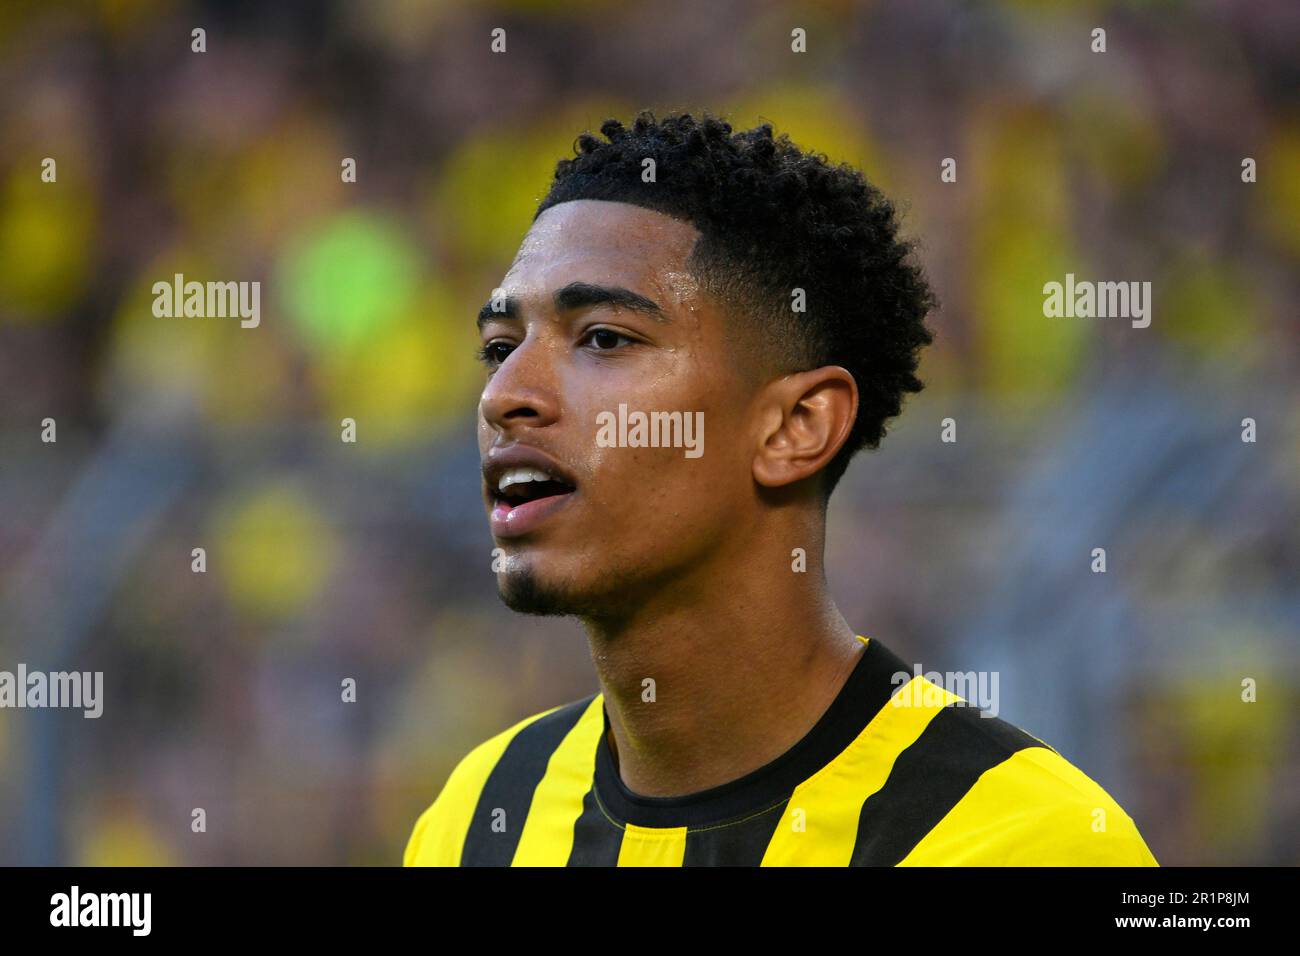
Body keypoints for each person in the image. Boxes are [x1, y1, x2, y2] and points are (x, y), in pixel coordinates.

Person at [405, 111, 1157, 866]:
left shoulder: (1019, 841)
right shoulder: (477, 817)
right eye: (500, 347)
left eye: (604, 337)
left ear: (795, 426)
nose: (506, 394)